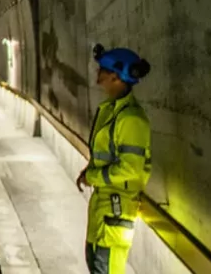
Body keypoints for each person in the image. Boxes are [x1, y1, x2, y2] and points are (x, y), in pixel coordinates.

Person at [76, 44, 152, 274]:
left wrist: (93, 176)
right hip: (103, 210)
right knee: (96, 263)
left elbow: (131, 168)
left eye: (102, 72)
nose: (98, 78)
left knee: (105, 267)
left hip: (115, 212)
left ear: (116, 77)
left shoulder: (131, 119)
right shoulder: (112, 111)